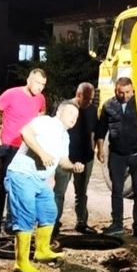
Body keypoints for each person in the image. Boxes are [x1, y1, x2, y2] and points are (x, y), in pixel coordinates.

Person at [5, 100, 84, 272]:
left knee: (49, 210)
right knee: (26, 217)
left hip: (38, 179)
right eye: (71, 114)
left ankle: (42, 251)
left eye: (77, 116)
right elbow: (25, 132)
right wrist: (41, 153)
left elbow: (62, 161)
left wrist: (73, 166)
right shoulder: (46, 122)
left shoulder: (65, 136)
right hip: (22, 174)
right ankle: (21, 263)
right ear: (60, 112)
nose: (74, 118)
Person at [0, 68, 47, 241]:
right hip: (9, 146)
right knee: (3, 187)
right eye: (37, 83)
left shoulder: (40, 99)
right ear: (29, 80)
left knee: (22, 188)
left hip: (28, 149)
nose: (40, 88)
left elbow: (41, 117)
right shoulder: (12, 94)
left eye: (43, 85)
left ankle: (12, 224)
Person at [95, 77, 137, 238]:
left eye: (127, 92)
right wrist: (100, 149)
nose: (124, 96)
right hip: (117, 155)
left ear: (133, 90)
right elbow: (101, 129)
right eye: (121, 92)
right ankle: (117, 224)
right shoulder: (109, 106)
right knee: (117, 190)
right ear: (115, 91)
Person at [52, 82, 98, 237]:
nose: (89, 102)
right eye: (87, 99)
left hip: (85, 157)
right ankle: (53, 222)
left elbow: (95, 131)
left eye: (91, 99)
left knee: (81, 192)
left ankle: (82, 222)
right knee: (59, 191)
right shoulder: (66, 108)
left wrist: (95, 149)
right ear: (79, 95)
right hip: (66, 157)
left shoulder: (92, 110)